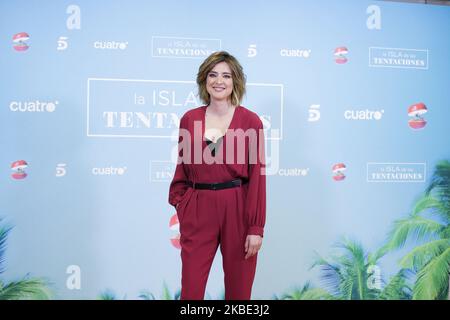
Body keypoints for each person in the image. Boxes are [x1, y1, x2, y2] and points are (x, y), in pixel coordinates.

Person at [168, 51, 266, 300]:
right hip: (199, 207)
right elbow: (182, 168)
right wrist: (183, 204)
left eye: (226, 75)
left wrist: (256, 226)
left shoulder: (251, 121)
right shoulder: (189, 119)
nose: (218, 81)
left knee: (239, 290)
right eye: (213, 75)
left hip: (238, 206)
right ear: (205, 80)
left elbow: (257, 177)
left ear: (235, 82)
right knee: (191, 291)